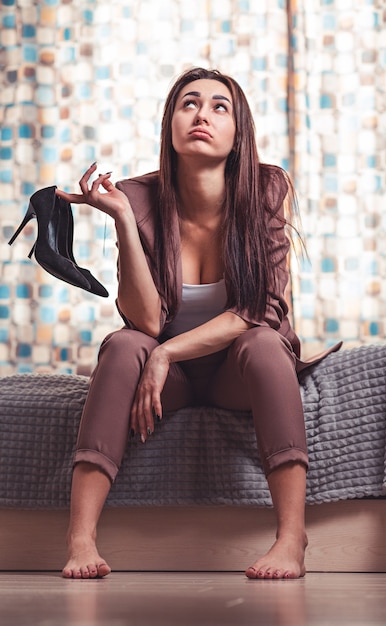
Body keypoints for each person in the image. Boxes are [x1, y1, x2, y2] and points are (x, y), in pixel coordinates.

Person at [57, 67, 340, 580]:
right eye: (188, 104)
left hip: (237, 374)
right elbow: (144, 321)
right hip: (174, 387)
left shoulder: (266, 189)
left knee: (263, 343)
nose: (202, 115)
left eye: (219, 107)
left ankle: (291, 538)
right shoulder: (137, 198)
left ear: (238, 135)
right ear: (170, 125)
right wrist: (122, 220)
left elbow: (262, 309)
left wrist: (165, 353)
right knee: (123, 345)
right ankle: (80, 539)